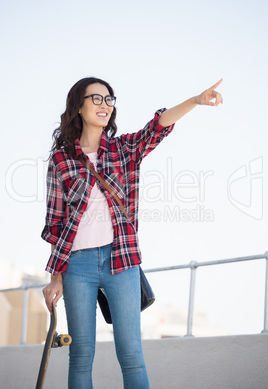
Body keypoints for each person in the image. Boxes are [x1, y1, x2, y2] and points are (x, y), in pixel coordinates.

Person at [41, 76, 223, 388]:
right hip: (76, 266)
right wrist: (55, 275)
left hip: (122, 261)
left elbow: (158, 127)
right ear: (79, 106)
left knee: (131, 354)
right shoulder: (61, 159)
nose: (104, 105)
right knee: (81, 355)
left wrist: (195, 100)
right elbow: (56, 223)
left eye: (109, 99)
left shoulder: (124, 149)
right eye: (96, 98)